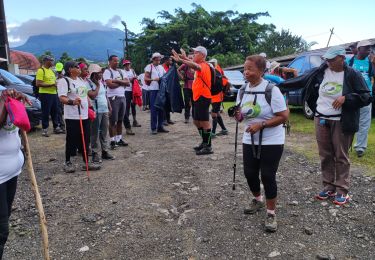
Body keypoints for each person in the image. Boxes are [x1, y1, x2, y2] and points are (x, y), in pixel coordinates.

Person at [298, 46, 371, 205]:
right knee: (325, 155)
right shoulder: (322, 71)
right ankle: (328, 186)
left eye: (332, 59)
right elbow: (305, 82)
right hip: (321, 118)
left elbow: (366, 96)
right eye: (327, 59)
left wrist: (347, 98)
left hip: (341, 121)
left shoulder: (352, 74)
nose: (328, 62)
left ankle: (342, 189)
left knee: (341, 155)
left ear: (342, 58)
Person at [234, 55, 289, 232]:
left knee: (267, 175)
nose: (246, 72)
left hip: (272, 139)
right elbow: (241, 113)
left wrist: (262, 124)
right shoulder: (242, 90)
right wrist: (239, 115)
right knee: (249, 173)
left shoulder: (272, 90)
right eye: (245, 68)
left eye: (250, 69)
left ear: (261, 71)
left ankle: (271, 213)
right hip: (250, 137)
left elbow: (283, 116)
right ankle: (258, 200)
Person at [0, 89, 30, 259]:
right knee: (1, 230)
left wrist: (17, 103)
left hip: (11, 173)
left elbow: (17, 125)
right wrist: (4, 101)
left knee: (5, 219)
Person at [57, 61, 101, 173]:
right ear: (70, 69)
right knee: (71, 139)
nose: (79, 68)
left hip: (84, 115)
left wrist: (90, 107)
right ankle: (67, 162)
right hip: (72, 116)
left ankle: (86, 162)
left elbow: (85, 95)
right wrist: (72, 102)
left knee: (86, 139)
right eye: (77, 67)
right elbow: (62, 98)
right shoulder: (64, 81)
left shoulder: (81, 80)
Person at [172, 46, 213, 155]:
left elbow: (195, 65)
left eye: (196, 53)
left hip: (203, 97)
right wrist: (185, 58)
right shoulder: (199, 64)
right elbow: (193, 63)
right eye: (193, 53)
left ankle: (208, 146)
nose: (194, 54)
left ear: (203, 56)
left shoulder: (204, 65)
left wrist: (181, 60)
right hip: (197, 97)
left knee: (204, 122)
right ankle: (205, 142)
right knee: (196, 121)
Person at [346, 40, 375, 157]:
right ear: (359, 49)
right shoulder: (349, 61)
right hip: (352, 97)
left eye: (369, 48)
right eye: (366, 48)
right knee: (349, 122)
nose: (369, 50)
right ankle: (346, 145)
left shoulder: (370, 62)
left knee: (364, 123)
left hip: (366, 97)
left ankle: (360, 148)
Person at [87, 64, 114, 163]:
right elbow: (93, 96)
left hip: (104, 110)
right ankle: (95, 154)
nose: (101, 74)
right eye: (99, 73)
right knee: (94, 133)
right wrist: (97, 85)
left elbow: (105, 95)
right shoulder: (88, 83)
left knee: (104, 132)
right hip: (95, 111)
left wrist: (109, 107)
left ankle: (105, 151)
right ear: (93, 74)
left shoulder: (101, 82)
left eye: (101, 72)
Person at [103, 55, 130, 149]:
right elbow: (110, 85)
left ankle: (119, 139)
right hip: (113, 98)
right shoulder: (107, 71)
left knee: (120, 120)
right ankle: (112, 141)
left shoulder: (121, 71)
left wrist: (116, 81)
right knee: (112, 121)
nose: (117, 62)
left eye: (117, 61)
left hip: (122, 97)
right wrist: (121, 82)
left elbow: (128, 83)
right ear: (110, 62)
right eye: (114, 61)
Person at [36, 55, 64, 136]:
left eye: (52, 60)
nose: (52, 62)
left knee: (55, 111)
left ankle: (56, 127)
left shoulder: (51, 71)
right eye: (51, 60)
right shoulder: (41, 70)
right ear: (45, 61)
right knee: (46, 112)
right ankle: (45, 129)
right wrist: (51, 84)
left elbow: (54, 82)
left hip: (54, 94)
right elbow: (38, 83)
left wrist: (57, 81)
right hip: (45, 94)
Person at [144, 52, 168, 134]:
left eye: (159, 60)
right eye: (157, 60)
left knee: (161, 108)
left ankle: (160, 126)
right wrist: (154, 79)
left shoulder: (161, 67)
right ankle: (153, 128)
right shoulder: (149, 67)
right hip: (153, 90)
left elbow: (165, 75)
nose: (159, 61)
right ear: (153, 59)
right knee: (154, 109)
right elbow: (146, 79)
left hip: (161, 90)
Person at [208, 58, 228, 137]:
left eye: (212, 63)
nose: (211, 64)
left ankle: (213, 132)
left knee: (214, 113)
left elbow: (224, 81)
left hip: (217, 96)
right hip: (215, 96)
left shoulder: (216, 70)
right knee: (217, 113)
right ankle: (224, 129)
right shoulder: (216, 69)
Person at [122, 60, 141, 132]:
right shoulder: (122, 72)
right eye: (126, 65)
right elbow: (124, 80)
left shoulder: (132, 71)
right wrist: (131, 79)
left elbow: (136, 78)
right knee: (126, 107)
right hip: (126, 91)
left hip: (133, 90)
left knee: (133, 105)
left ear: (130, 65)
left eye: (128, 64)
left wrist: (136, 79)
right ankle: (128, 124)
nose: (127, 66)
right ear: (124, 66)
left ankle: (135, 121)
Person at [178, 53, 195, 123]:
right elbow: (177, 70)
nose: (190, 59)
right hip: (186, 85)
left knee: (195, 102)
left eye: (191, 58)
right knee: (187, 102)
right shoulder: (185, 65)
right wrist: (182, 77)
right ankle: (186, 117)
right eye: (189, 58)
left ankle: (195, 117)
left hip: (195, 86)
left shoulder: (195, 65)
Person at [161, 56, 175, 125]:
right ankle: (164, 120)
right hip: (162, 89)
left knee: (168, 104)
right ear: (166, 61)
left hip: (169, 88)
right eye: (170, 60)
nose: (171, 62)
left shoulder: (170, 68)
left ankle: (168, 119)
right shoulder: (161, 68)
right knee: (163, 104)